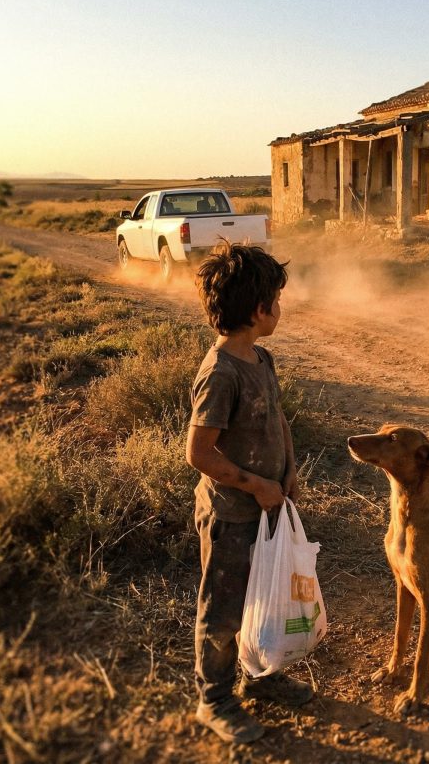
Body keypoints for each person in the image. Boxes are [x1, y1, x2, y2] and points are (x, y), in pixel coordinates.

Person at [186, 242, 313, 744]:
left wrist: (290, 469)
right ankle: (214, 700)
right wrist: (257, 485)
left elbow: (277, 417)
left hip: (267, 510)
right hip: (231, 516)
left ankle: (260, 675)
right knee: (223, 611)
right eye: (276, 301)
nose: (280, 308)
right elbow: (199, 453)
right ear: (259, 310)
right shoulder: (220, 373)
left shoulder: (261, 358)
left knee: (262, 598)